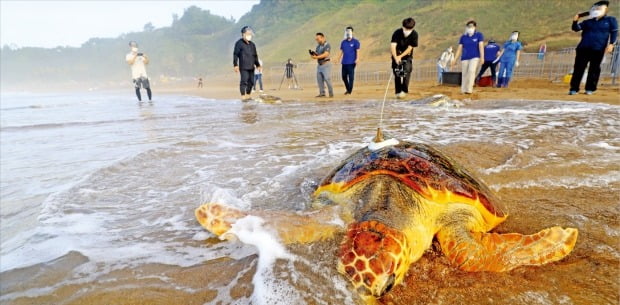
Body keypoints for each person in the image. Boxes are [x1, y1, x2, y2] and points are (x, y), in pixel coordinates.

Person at [569, 0, 618, 95]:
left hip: (598, 49)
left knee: (594, 69)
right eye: (595, 8)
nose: (597, 10)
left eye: (599, 8)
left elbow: (614, 32)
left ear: (605, 9)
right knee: (579, 68)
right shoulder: (588, 22)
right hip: (583, 48)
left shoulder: (610, 20)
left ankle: (590, 89)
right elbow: (576, 28)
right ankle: (574, 88)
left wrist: (611, 44)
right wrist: (575, 20)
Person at [452, 20, 484, 94]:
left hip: (475, 56)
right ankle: (463, 90)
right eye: (468, 26)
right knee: (465, 73)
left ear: (475, 27)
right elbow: (459, 48)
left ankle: (469, 89)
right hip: (465, 57)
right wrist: (455, 59)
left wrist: (482, 57)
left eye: (472, 26)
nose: (470, 28)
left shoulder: (479, 35)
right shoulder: (463, 37)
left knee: (471, 71)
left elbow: (481, 46)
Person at [390, 17, 418, 99]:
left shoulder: (414, 34)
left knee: (407, 70)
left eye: (409, 29)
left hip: (407, 56)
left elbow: (410, 48)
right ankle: (398, 92)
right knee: (397, 73)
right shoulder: (397, 33)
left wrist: (400, 57)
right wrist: (396, 57)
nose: (407, 31)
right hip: (396, 54)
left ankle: (404, 90)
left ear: (412, 28)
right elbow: (393, 46)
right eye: (405, 29)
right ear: (403, 27)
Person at [233, 26, 261, 100]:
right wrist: (235, 65)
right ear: (243, 34)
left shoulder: (252, 45)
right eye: (248, 34)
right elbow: (235, 54)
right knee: (244, 81)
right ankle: (243, 97)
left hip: (251, 66)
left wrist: (258, 64)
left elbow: (255, 55)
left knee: (251, 82)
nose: (249, 35)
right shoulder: (239, 43)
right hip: (243, 67)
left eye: (250, 34)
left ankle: (248, 95)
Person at [337, 26, 361, 95]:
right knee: (344, 76)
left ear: (352, 32)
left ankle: (349, 91)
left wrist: (357, 59)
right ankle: (348, 89)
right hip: (344, 62)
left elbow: (358, 51)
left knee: (351, 77)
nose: (348, 32)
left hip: (352, 62)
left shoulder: (355, 42)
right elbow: (341, 51)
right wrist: (338, 59)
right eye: (347, 31)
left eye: (349, 31)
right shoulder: (343, 42)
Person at [310, 32, 334, 98]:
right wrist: (313, 55)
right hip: (319, 65)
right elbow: (318, 54)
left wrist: (316, 57)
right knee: (319, 79)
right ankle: (322, 93)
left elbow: (326, 54)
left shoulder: (327, 45)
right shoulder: (318, 46)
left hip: (326, 64)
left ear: (322, 37)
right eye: (316, 39)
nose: (317, 40)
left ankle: (331, 94)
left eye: (318, 39)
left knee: (327, 79)